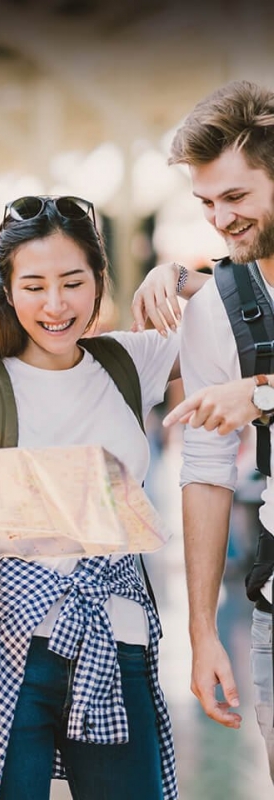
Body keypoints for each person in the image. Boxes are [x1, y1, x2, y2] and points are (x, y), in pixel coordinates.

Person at [0, 195, 179, 799]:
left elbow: (238, 331)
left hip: (116, 639)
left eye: (74, 282)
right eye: (34, 286)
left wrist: (178, 274)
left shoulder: (130, 362)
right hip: (7, 647)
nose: (56, 306)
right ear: (7, 290)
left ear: (100, 281)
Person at [135, 79, 274, 782]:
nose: (221, 219)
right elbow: (206, 471)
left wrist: (261, 393)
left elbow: (250, 403)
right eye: (208, 202)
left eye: (237, 197)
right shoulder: (215, 306)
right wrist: (201, 637)